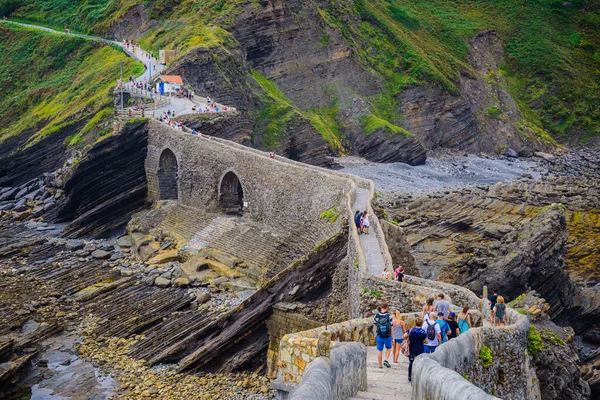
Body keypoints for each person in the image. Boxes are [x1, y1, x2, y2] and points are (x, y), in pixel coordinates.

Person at [404, 317, 427, 382]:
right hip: (420, 349)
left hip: (412, 348)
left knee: (411, 362)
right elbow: (426, 341)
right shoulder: (423, 332)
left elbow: (404, 336)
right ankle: (418, 376)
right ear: (422, 324)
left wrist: (408, 340)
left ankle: (410, 376)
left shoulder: (411, 330)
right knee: (419, 362)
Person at [374, 301, 393, 368]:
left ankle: (380, 365)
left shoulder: (377, 315)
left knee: (379, 350)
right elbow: (391, 326)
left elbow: (375, 324)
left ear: (380, 307)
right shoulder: (388, 316)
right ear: (386, 307)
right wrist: (393, 337)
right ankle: (386, 359)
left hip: (379, 335)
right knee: (389, 348)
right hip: (387, 335)